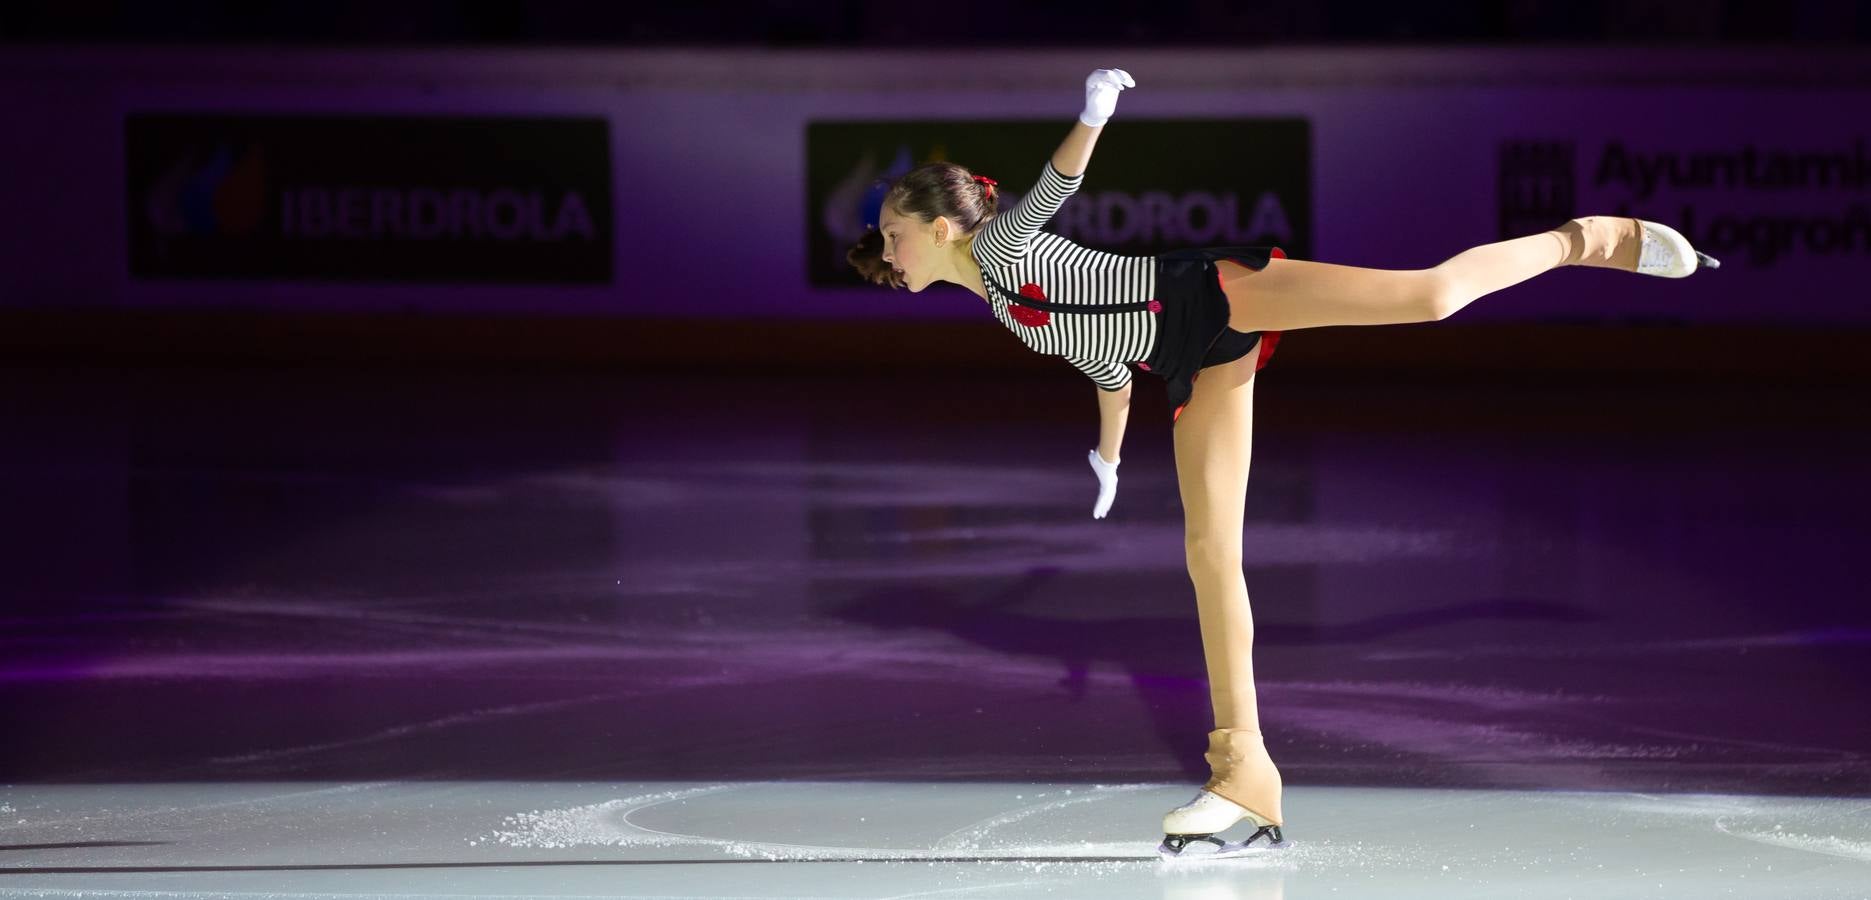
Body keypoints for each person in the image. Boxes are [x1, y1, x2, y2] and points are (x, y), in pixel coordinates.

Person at [844, 68, 1719, 859]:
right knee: (1209, 554)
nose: (885, 250)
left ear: (941, 228)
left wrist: (1093, 113)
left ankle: (1586, 238)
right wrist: (1106, 458)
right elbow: (1106, 368)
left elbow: (1055, 186)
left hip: (1217, 295)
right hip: (1189, 364)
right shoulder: (1003, 310)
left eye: (892, 233)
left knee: (1431, 296)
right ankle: (1245, 776)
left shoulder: (1003, 248)